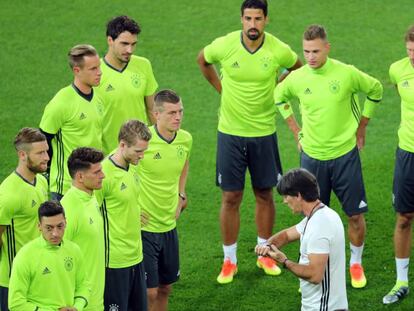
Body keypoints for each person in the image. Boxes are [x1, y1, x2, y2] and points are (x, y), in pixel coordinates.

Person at [197, 0, 302, 284]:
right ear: (241, 19)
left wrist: (278, 85)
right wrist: (221, 88)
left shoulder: (278, 49)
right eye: (248, 18)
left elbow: (297, 67)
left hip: (264, 132)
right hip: (230, 133)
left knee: (265, 194)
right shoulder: (226, 44)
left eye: (258, 19)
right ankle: (229, 260)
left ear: (266, 19)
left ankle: (265, 253)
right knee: (231, 197)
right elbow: (202, 60)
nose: (252, 24)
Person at [274, 24, 383, 288]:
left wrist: (362, 126)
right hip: (311, 159)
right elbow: (279, 95)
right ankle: (316, 263)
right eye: (306, 51)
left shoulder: (346, 74)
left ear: (327, 48)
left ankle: (355, 263)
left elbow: (376, 89)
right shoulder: (298, 78)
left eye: (315, 51)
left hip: (345, 156)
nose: (310, 57)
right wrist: (295, 130)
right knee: (313, 217)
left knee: (355, 216)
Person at [256, 168, 348, 311]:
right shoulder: (319, 215)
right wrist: (267, 245)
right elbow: (286, 235)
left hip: (324, 307)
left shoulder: (320, 226)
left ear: (298, 195)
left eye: (286, 196)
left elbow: (315, 275)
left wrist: (284, 261)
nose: (285, 201)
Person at [138, 89, 192, 311]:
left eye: (180, 111)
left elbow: (184, 164)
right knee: (148, 292)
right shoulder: (142, 143)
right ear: (156, 114)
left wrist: (181, 194)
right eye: (171, 113)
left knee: (165, 288)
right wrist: (131, 209)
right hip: (144, 228)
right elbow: (117, 172)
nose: (177, 117)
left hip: (169, 225)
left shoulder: (185, 139)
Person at [95, 120, 152, 311]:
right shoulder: (103, 176)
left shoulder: (132, 164)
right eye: (138, 151)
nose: (142, 156)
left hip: (136, 256)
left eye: (144, 151)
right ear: (122, 145)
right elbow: (90, 215)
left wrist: (132, 214)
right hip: (114, 262)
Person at [39, 44, 103, 200]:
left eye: (99, 67)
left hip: (92, 185)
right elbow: (42, 140)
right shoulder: (61, 102)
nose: (100, 72)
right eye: (93, 69)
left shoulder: (98, 97)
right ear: (77, 71)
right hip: (66, 188)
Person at [8, 201, 90, 311]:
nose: (55, 233)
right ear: (39, 226)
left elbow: (83, 286)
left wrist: (76, 307)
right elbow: (15, 303)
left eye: (60, 226)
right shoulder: (25, 255)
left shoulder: (74, 250)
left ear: (66, 223)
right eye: (49, 228)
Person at [0, 128, 49, 311]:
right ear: (22, 155)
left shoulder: (42, 181)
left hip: (40, 273)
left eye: (46, 151)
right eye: (40, 153)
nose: (47, 157)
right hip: (14, 281)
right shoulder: (9, 194)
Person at [382, 25, 414, 305]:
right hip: (407, 153)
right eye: (409, 51)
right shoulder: (397, 69)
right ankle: (401, 280)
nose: (412, 57)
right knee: (404, 217)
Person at [97, 15, 158, 155]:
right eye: (124, 44)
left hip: (141, 152)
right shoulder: (96, 72)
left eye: (133, 44)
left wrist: (159, 144)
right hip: (110, 155)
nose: (129, 50)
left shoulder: (143, 65)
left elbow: (152, 109)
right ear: (110, 40)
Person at [61, 147, 105, 311]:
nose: (103, 176)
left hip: (94, 298)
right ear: (80, 176)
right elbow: (57, 257)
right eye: (97, 172)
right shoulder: (69, 210)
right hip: (79, 304)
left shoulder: (91, 198)